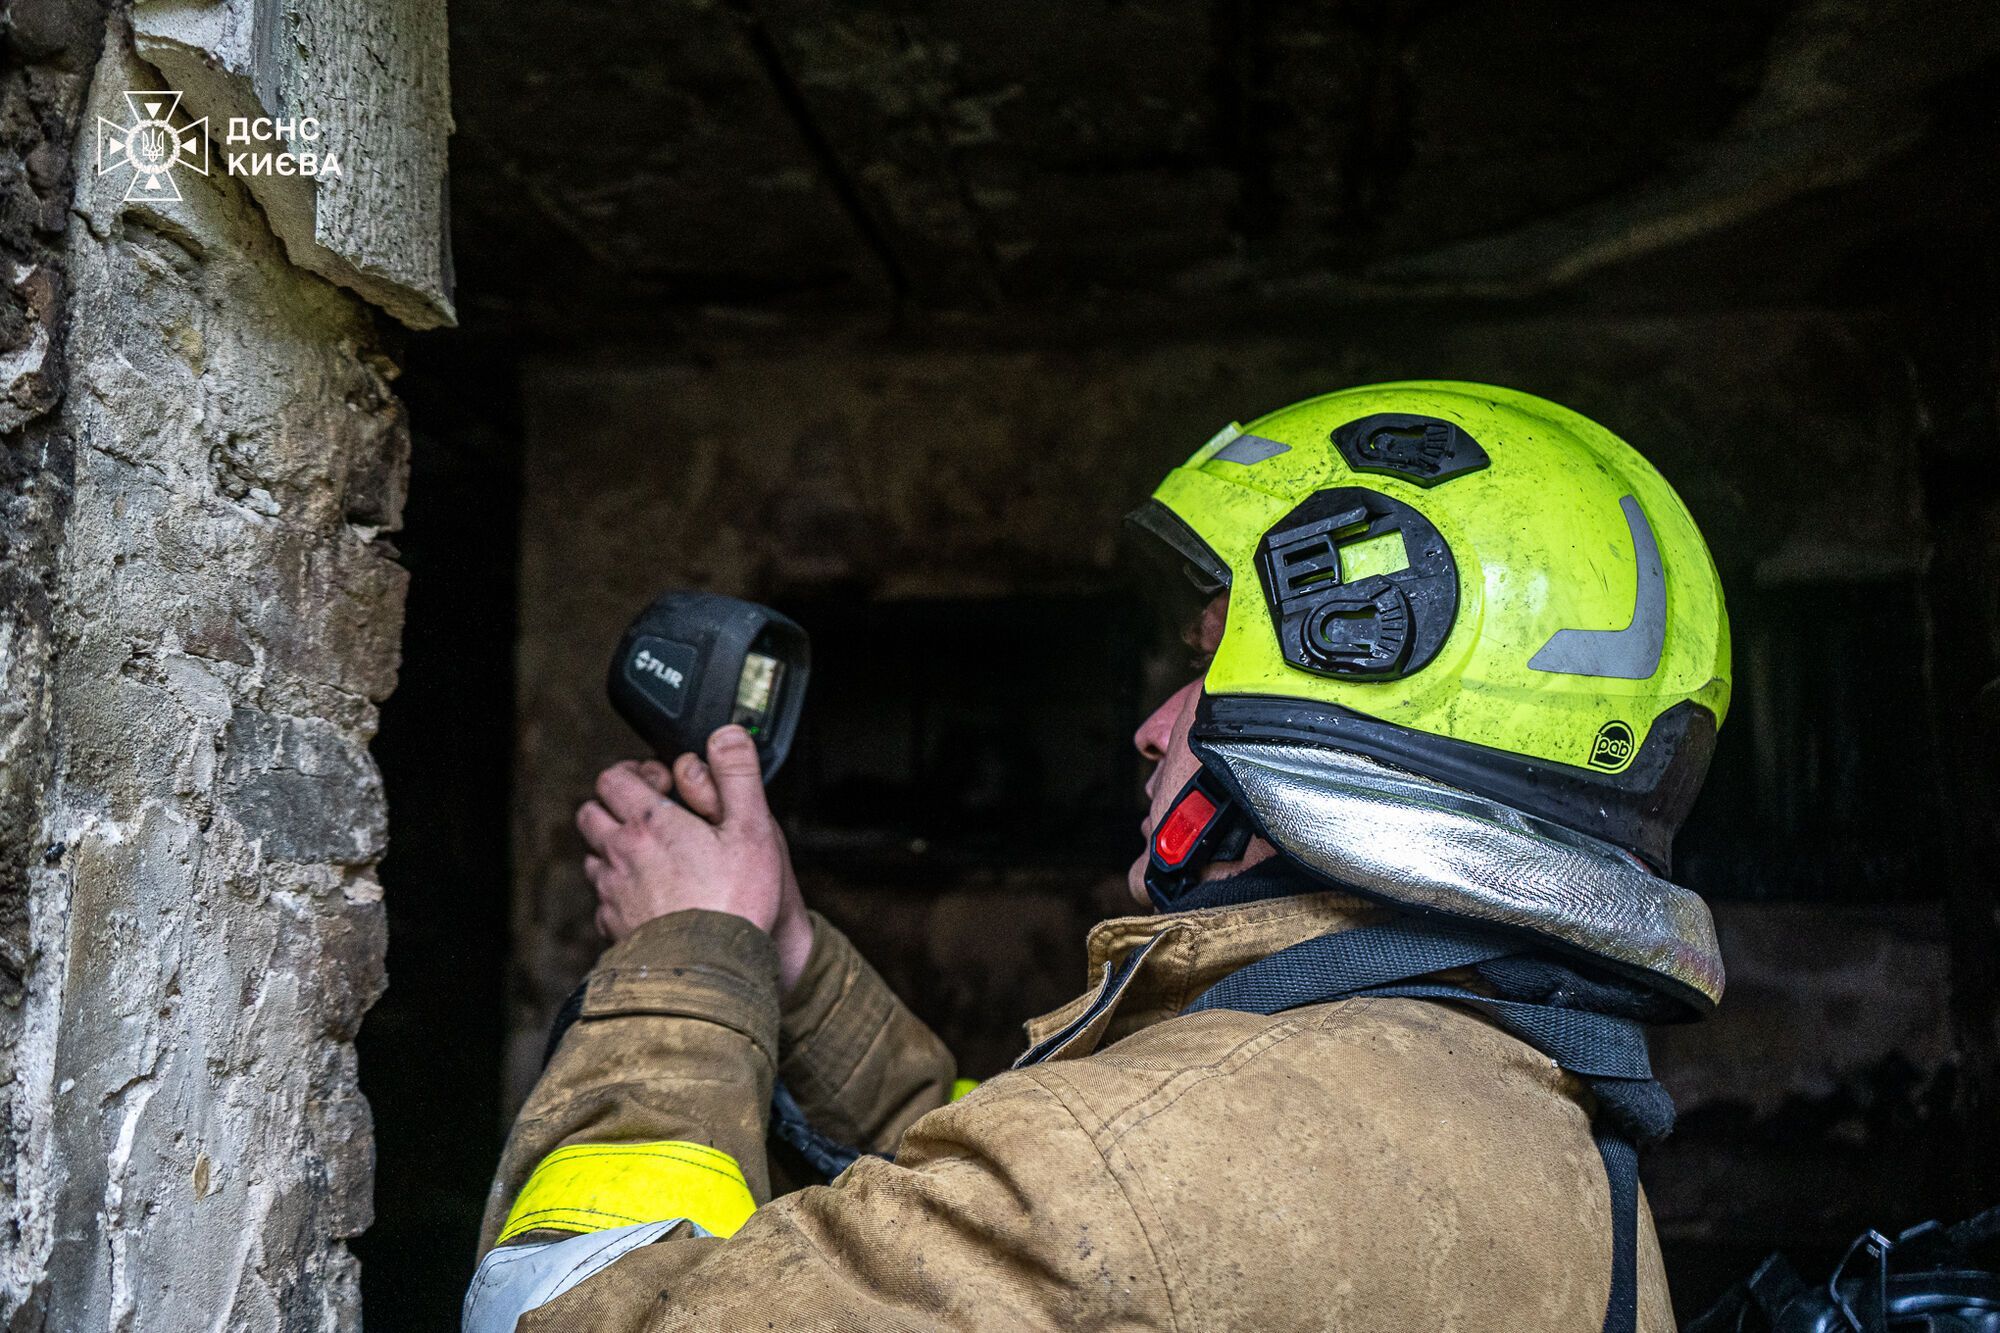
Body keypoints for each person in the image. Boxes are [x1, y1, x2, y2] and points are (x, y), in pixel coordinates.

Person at [464, 381, 1732, 1333]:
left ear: (1349, 689)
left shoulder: (1137, 1172)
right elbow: (987, 1221)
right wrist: (789, 961)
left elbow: (1082, 1202)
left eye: (1198, 671)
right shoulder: (1508, 1097)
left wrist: (684, 960)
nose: (1149, 728)